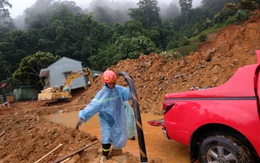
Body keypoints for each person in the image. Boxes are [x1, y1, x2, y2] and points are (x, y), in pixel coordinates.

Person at [75, 69, 131, 163]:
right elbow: (92, 106)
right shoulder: (101, 95)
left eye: (113, 82)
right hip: (106, 119)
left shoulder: (119, 90)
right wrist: (82, 117)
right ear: (105, 83)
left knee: (120, 135)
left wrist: (130, 84)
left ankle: (117, 151)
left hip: (118, 118)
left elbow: (129, 95)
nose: (112, 85)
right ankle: (104, 155)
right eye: (110, 83)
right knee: (107, 137)